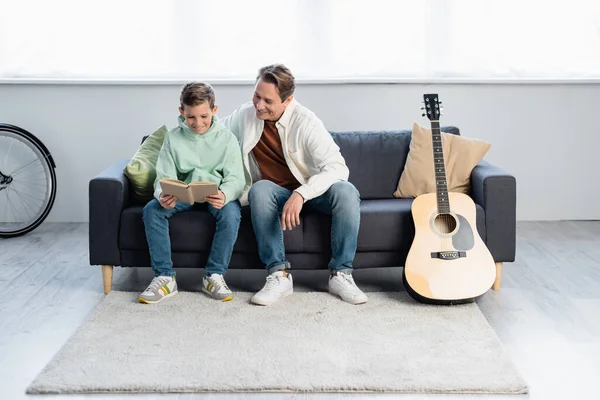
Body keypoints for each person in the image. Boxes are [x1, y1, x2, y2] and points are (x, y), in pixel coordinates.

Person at [221, 64, 367, 306]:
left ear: (287, 101)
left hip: (311, 194)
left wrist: (301, 194)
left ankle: (341, 274)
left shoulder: (307, 122)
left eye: (267, 100)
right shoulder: (245, 115)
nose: (259, 105)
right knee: (260, 189)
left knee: (347, 191)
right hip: (274, 196)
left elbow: (338, 167)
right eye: (256, 96)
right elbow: (212, 131)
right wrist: (167, 139)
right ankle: (278, 275)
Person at [139, 82, 245, 304]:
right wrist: (163, 195)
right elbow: (163, 176)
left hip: (214, 195)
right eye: (191, 118)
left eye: (204, 116)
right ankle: (165, 277)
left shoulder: (227, 138)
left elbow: (236, 178)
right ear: (181, 112)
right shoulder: (173, 137)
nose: (198, 123)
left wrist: (225, 194)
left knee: (232, 213)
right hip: (183, 196)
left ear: (214, 110)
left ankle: (213, 275)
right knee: (152, 210)